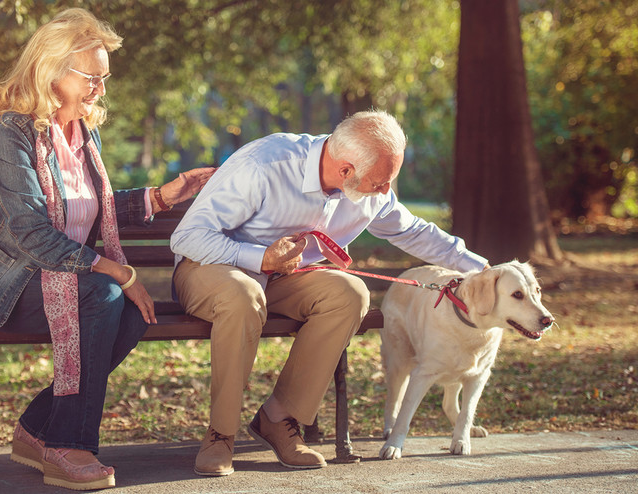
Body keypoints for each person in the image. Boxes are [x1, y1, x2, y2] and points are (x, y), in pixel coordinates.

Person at [0, 8, 214, 491]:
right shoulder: (11, 134)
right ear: (51, 71)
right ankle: (67, 443)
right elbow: (33, 234)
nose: (100, 89)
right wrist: (121, 273)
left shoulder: (82, 132)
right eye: (91, 77)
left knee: (128, 312)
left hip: (45, 278)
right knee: (104, 295)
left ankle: (37, 428)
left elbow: (87, 207)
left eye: (104, 78)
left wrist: (165, 195)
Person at [170, 109, 489, 476]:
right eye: (381, 181)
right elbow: (188, 237)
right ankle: (221, 434)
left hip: (281, 277)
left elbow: (414, 231)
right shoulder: (265, 164)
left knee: (350, 293)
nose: (386, 191)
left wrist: (485, 271)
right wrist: (261, 258)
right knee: (243, 295)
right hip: (209, 266)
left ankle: (279, 418)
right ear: (345, 170)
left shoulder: (368, 190)